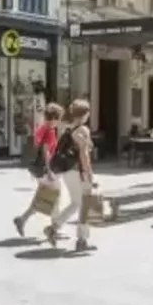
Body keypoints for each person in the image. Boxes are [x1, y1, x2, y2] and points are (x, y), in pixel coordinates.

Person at [45, 99, 97, 253]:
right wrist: (88, 173)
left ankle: (53, 228)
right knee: (86, 205)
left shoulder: (69, 129)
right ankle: (82, 240)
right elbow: (84, 153)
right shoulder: (83, 130)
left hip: (67, 170)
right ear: (85, 114)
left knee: (76, 203)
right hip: (79, 171)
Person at [14, 103, 64, 237]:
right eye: (58, 119)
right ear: (53, 118)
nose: (58, 123)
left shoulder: (41, 129)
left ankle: (22, 219)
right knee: (55, 194)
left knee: (44, 195)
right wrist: (49, 171)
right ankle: (54, 227)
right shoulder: (49, 131)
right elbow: (45, 152)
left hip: (36, 169)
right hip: (44, 169)